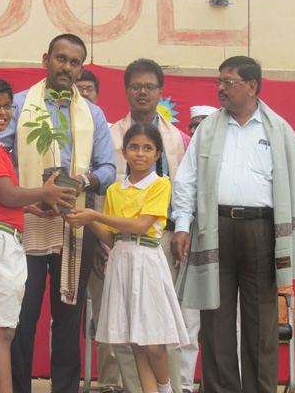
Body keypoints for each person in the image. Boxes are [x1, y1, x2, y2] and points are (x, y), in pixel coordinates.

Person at [171, 56, 295, 393]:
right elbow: (187, 180)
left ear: (252, 86)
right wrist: (183, 224)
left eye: (228, 82)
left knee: (261, 321)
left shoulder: (279, 130)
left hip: (261, 231)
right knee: (215, 317)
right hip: (214, 229)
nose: (220, 88)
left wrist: (293, 229)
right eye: (218, 81)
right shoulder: (207, 129)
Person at [0, 33, 116, 393]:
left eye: (74, 62)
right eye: (61, 58)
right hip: (26, 222)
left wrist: (83, 181)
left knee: (68, 319)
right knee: (22, 315)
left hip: (75, 226)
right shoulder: (19, 105)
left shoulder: (93, 114)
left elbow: (108, 169)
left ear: (81, 69)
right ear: (46, 59)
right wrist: (25, 196)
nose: (67, 67)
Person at [0, 75, 75, 393]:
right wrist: (45, 192)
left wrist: (31, 207)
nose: (2, 112)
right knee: (2, 332)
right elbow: (8, 194)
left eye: (7, 106)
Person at [65, 123, 189, 393]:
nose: (140, 153)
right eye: (133, 147)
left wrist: (95, 215)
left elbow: (142, 226)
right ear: (123, 152)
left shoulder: (161, 183)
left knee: (154, 343)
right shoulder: (114, 190)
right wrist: (85, 218)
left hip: (148, 260)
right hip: (121, 261)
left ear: (158, 154)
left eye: (147, 148)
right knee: (136, 343)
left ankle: (166, 388)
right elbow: (112, 239)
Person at [108, 58, 190, 393]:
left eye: (150, 86)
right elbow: (106, 187)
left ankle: (170, 388)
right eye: (136, 86)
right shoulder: (110, 133)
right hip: (119, 242)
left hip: (162, 238)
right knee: (127, 328)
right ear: (127, 90)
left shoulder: (177, 138)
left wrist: (183, 228)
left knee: (160, 327)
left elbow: (186, 188)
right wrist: (102, 238)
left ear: (160, 91)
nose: (143, 92)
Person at [76, 69, 124, 393]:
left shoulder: (109, 136)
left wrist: (100, 240)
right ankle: (65, 382)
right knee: (65, 311)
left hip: (102, 234)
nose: (83, 94)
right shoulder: (59, 133)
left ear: (97, 94)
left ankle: (109, 384)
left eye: (89, 89)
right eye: (78, 89)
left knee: (107, 312)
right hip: (65, 230)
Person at [180, 105, 217, 393]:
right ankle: (182, 384)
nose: (196, 129)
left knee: (229, 321)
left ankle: (226, 384)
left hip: (226, 242)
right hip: (191, 243)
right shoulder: (183, 153)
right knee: (187, 319)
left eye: (203, 123)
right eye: (192, 125)